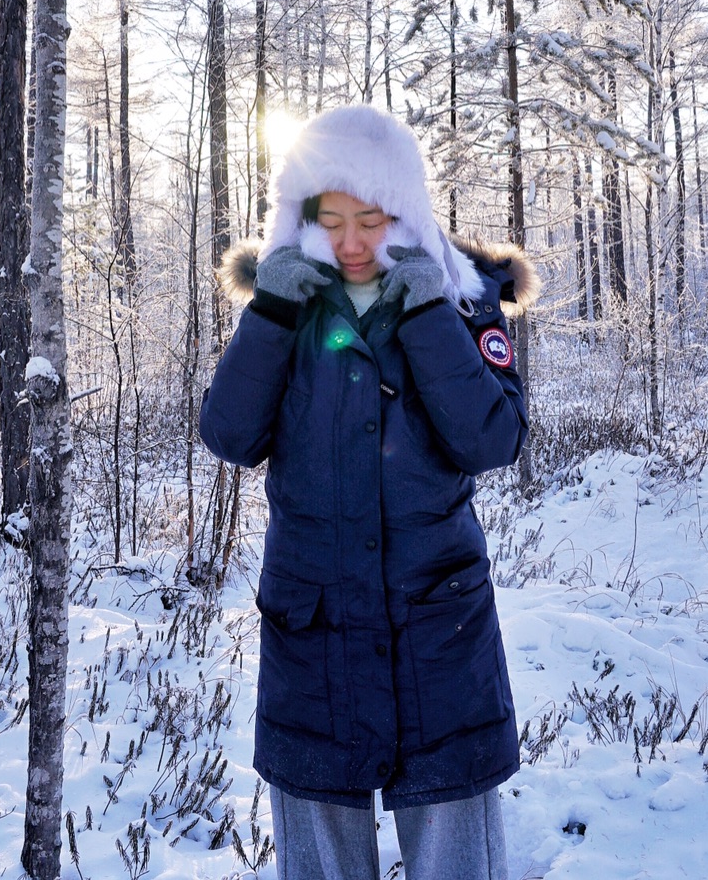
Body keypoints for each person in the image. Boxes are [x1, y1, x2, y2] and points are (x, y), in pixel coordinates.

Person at [201, 104, 538, 880]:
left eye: (373, 218)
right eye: (333, 219)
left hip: (439, 633)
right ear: (304, 217)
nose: (352, 242)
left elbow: (490, 439)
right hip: (313, 634)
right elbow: (229, 433)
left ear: (405, 211)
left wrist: (426, 314)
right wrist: (275, 309)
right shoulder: (287, 298)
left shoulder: (460, 296)